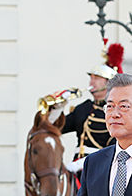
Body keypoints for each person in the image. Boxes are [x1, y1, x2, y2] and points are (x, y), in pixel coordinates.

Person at [45, 42, 123, 173]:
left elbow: (115, 149)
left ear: (109, 83)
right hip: (76, 168)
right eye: (91, 78)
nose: (92, 82)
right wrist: (59, 106)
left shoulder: (115, 112)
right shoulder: (83, 108)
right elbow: (54, 128)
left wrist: (81, 164)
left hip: (102, 169)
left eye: (97, 78)